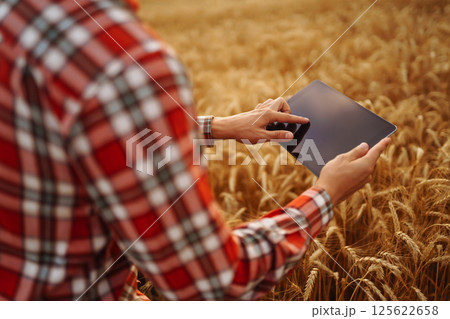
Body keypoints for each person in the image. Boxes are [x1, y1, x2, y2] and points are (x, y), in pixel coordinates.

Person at [0, 0, 390, 300]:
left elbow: (83, 146)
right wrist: (326, 194)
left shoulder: (17, 18)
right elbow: (211, 283)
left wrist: (216, 128)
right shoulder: (120, 63)